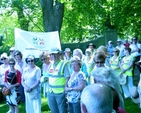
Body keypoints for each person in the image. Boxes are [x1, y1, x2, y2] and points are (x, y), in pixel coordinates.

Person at [47, 47, 71, 113]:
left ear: (59, 55)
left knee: (62, 111)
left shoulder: (64, 64)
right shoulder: (51, 64)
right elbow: (50, 76)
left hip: (60, 92)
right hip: (51, 92)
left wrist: (65, 88)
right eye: (52, 54)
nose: (53, 56)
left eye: (55, 54)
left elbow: (67, 77)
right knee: (53, 110)